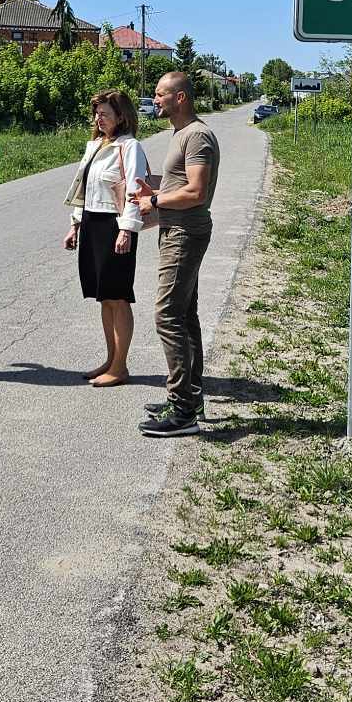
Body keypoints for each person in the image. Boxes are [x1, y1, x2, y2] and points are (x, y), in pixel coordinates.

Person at [132, 71, 219, 437]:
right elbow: (180, 185)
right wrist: (152, 188)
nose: (155, 100)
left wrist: (152, 200)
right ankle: (191, 397)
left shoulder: (197, 135)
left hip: (186, 233)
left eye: (160, 94)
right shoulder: (179, 134)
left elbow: (197, 191)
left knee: (168, 314)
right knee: (184, 314)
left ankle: (182, 410)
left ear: (180, 98)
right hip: (176, 230)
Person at [62, 89, 150, 388]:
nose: (99, 118)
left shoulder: (130, 147)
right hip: (92, 222)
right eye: (97, 113)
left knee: (118, 296)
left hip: (114, 227)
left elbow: (136, 192)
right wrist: (75, 224)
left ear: (121, 116)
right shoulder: (97, 145)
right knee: (104, 298)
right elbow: (85, 189)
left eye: (105, 113)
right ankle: (111, 360)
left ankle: (121, 366)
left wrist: (127, 229)